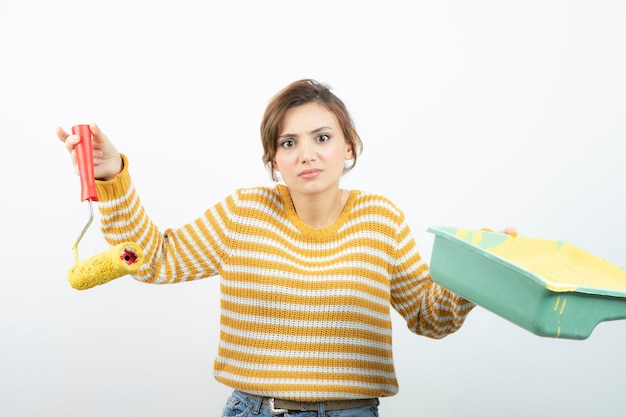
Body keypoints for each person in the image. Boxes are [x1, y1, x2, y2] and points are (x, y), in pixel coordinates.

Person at [58, 79, 516, 417]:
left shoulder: (381, 218)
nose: (306, 154)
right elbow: (153, 260)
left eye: (322, 137)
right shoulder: (245, 212)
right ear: (274, 161)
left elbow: (429, 317)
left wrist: (480, 271)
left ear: (349, 148)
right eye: (288, 143)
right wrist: (112, 174)